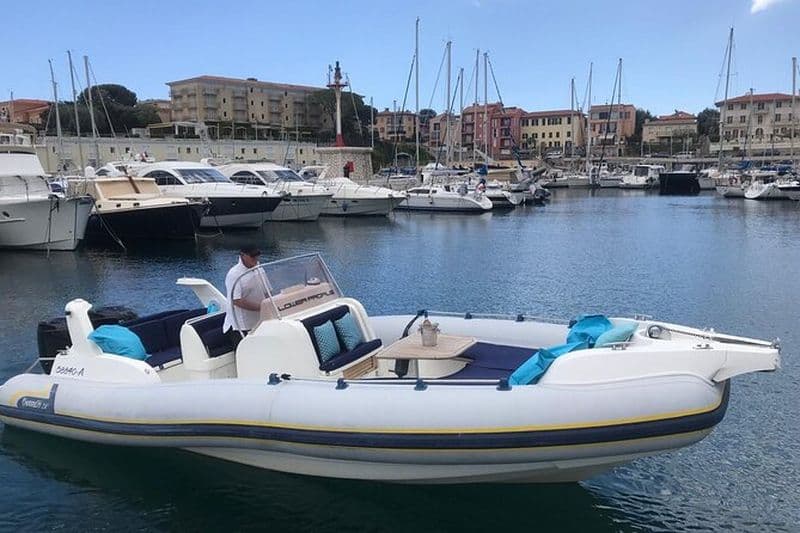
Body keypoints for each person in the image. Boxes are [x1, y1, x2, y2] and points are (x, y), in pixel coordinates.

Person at [223, 244, 269, 345]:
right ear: (243, 255)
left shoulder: (259, 268)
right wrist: (262, 307)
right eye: (252, 256)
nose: (256, 258)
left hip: (260, 320)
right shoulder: (234, 274)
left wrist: (270, 306)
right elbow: (237, 300)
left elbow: (267, 292)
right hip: (241, 326)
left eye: (257, 255)